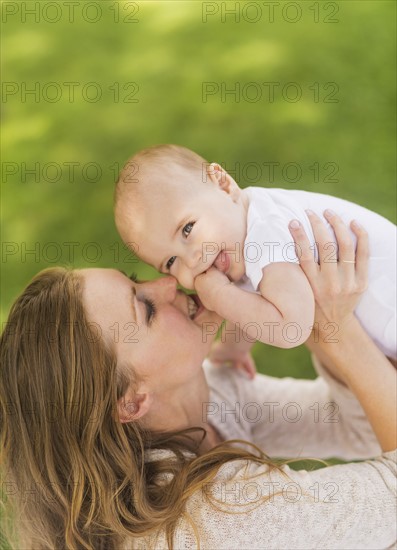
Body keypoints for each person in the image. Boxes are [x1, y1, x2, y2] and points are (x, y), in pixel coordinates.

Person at [0, 213, 395, 549]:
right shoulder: (215, 520)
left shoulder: (204, 394)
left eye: (136, 280)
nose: (168, 284)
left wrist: (303, 309)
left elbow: (354, 425)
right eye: (146, 308)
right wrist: (337, 331)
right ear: (132, 402)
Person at [114, 144, 397, 380]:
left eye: (188, 229)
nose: (193, 261)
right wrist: (233, 349)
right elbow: (254, 302)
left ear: (224, 186)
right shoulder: (238, 233)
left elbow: (290, 328)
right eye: (171, 261)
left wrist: (220, 296)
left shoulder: (266, 231)